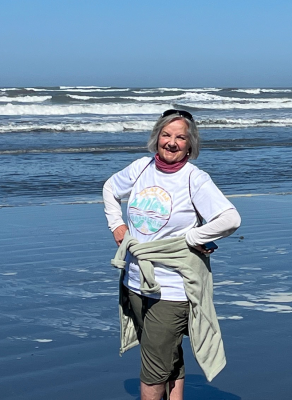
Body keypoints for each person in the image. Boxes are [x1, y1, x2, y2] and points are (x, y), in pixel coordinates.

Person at [103, 109, 241, 400]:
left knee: (153, 368)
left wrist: (192, 237)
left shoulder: (195, 179)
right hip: (135, 280)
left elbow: (229, 219)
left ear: (190, 145)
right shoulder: (141, 167)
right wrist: (117, 225)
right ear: (156, 137)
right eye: (166, 135)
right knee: (165, 351)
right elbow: (110, 188)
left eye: (181, 137)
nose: (172, 142)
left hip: (172, 288)